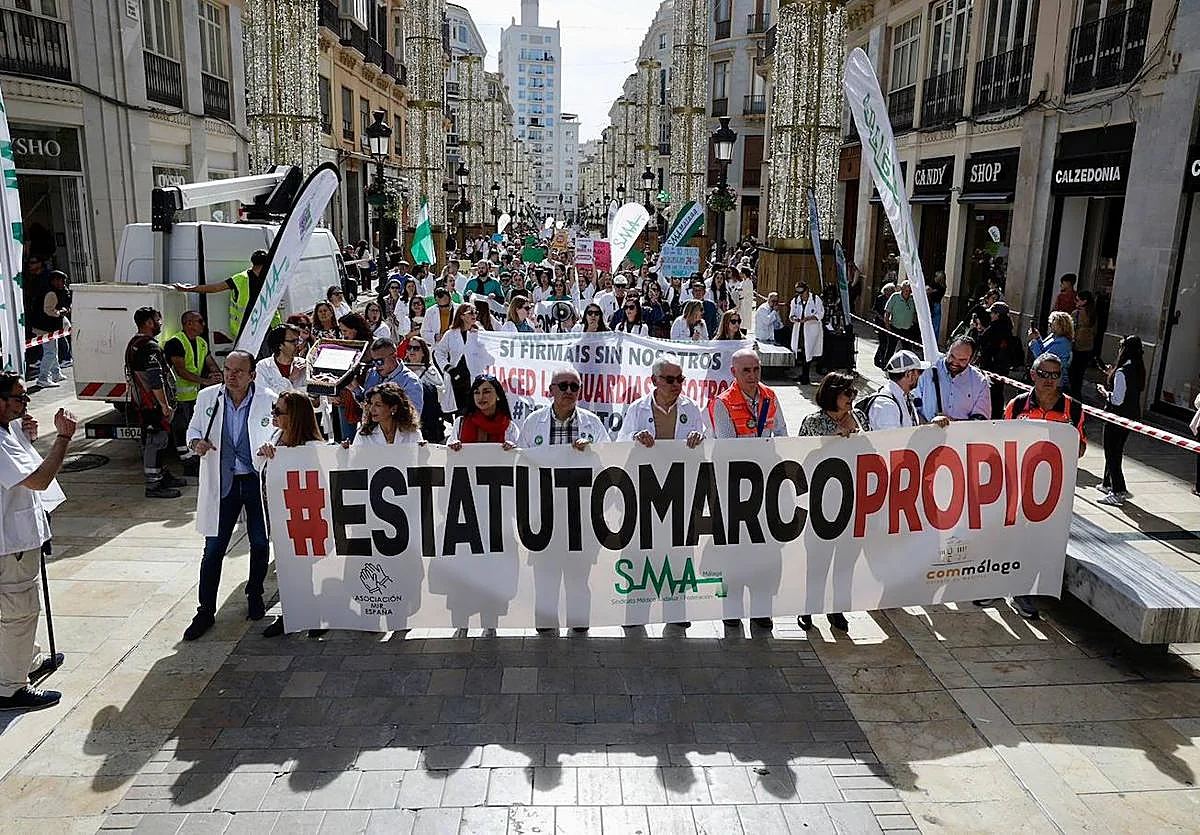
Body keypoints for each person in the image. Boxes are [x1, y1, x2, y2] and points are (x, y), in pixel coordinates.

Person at [183, 350, 277, 640]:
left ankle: (255, 593)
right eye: (227, 369)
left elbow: (277, 433)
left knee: (260, 543)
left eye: (238, 371)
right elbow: (193, 431)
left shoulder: (268, 398)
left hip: (254, 479)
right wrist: (196, 443)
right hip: (223, 482)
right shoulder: (208, 398)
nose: (231, 376)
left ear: (252, 375)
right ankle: (205, 611)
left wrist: (271, 446)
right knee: (213, 549)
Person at [0, 374, 76, 710]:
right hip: (9, 545)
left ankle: (24, 663)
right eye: (19, 399)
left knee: (19, 610)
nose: (25, 404)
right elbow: (40, 480)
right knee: (18, 611)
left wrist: (25, 434)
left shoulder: (7, 431)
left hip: (18, 540)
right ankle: (10, 687)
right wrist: (63, 439)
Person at [517, 366, 610, 634]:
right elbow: (522, 463)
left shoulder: (592, 423)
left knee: (578, 577)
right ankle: (546, 628)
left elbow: (609, 463)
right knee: (545, 575)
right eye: (563, 386)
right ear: (550, 391)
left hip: (580, 515)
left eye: (574, 386)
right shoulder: (533, 422)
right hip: (544, 514)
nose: (569, 391)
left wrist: (592, 453)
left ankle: (579, 627)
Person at [994, 352, 1086, 619]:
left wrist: (1062, 440)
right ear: (1033, 374)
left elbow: (1079, 449)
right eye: (1043, 374)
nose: (1049, 380)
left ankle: (1025, 587)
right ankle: (1005, 584)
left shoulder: (1074, 409)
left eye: (1055, 375)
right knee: (1011, 534)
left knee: (1039, 539)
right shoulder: (1017, 405)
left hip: (1053, 489)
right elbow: (1001, 439)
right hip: (1019, 484)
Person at [619, 351, 707, 627]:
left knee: (679, 553)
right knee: (639, 552)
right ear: (654, 380)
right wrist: (634, 439)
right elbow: (619, 446)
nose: (675, 384)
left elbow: (707, 445)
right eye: (669, 379)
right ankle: (635, 614)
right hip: (644, 492)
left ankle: (676, 613)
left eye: (680, 379)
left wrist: (699, 438)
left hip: (679, 491)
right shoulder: (637, 409)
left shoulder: (691, 408)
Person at [709, 349, 785, 631]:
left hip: (766, 487)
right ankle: (731, 609)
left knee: (766, 551)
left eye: (756, 369)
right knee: (734, 552)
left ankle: (762, 609)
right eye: (746, 371)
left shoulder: (770, 396)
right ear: (734, 373)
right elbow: (730, 447)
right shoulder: (723, 403)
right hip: (735, 489)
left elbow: (782, 434)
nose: (753, 376)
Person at [796, 371, 868, 633]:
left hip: (851, 501)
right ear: (832, 393)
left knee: (846, 561)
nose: (851, 398)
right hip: (821, 502)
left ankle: (838, 610)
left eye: (854, 393)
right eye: (846, 393)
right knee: (818, 561)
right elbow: (801, 458)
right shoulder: (813, 422)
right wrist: (831, 443)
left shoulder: (858, 418)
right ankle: (808, 608)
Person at [256, 392, 326, 638]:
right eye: (274, 409)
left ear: (295, 417)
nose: (273, 415)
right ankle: (291, 615)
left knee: (308, 568)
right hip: (280, 516)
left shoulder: (314, 448)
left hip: (307, 517)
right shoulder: (275, 438)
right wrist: (265, 453)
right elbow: (258, 465)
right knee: (288, 569)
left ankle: (314, 614)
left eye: (278, 411)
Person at [125, 307, 186, 498]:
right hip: (152, 405)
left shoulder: (135, 343)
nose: (160, 324)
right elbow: (155, 378)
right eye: (158, 320)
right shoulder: (148, 347)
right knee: (156, 442)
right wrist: (164, 404)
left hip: (146, 404)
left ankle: (163, 475)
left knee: (160, 441)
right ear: (149, 323)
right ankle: (154, 485)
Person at [164, 311, 223, 475]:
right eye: (200, 321)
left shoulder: (201, 342)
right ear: (189, 323)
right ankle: (188, 465)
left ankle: (194, 460)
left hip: (194, 397)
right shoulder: (176, 343)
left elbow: (210, 363)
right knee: (181, 430)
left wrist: (219, 375)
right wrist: (205, 381)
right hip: (178, 397)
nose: (203, 324)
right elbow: (181, 371)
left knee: (194, 428)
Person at [173, 250, 277, 342]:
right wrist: (190, 288)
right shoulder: (241, 279)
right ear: (264, 265)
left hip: (267, 328)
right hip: (247, 330)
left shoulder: (269, 278)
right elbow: (214, 288)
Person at [1096, 335, 1145, 506]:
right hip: (1131, 417)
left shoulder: (1122, 372)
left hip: (1116, 417)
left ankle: (1118, 489)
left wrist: (1104, 392)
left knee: (1112, 452)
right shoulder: (1138, 369)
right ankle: (1107, 483)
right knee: (1116, 450)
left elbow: (1117, 399)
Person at [432, 303, 496, 417]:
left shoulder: (481, 334)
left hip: (474, 377)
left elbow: (490, 353)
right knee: (460, 413)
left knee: (475, 411)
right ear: (461, 316)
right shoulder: (451, 334)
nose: (474, 315)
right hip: (457, 378)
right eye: (470, 312)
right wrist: (447, 367)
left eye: (475, 312)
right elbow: (439, 352)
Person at [865, 350, 949, 431]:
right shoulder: (886, 406)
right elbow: (890, 440)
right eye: (919, 372)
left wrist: (932, 424)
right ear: (909, 374)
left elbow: (910, 428)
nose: (920, 376)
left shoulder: (904, 396)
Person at [914, 336, 992, 423]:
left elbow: (981, 420)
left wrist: (952, 423)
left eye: (962, 360)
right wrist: (926, 426)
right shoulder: (927, 372)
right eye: (952, 356)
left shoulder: (980, 382)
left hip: (961, 435)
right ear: (948, 351)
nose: (955, 362)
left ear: (972, 360)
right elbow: (911, 407)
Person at [976, 301, 1023, 420]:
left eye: (992, 313)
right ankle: (997, 414)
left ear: (997, 314)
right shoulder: (1008, 327)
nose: (990, 315)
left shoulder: (994, 328)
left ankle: (990, 413)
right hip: (1003, 366)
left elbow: (981, 341)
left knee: (990, 391)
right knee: (999, 391)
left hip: (992, 365)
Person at [447, 374, 519, 449]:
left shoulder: (509, 427)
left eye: (486, 392)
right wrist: (453, 445)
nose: (481, 397)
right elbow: (448, 451)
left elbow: (520, 454)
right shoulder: (460, 423)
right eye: (476, 392)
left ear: (498, 395)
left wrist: (512, 448)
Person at [404, 337, 447, 444]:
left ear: (423, 352)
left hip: (426, 418)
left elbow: (441, 393)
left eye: (416, 348)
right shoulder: (401, 370)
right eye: (409, 348)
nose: (412, 351)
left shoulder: (430, 371)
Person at [352, 382, 423, 446]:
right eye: (371, 404)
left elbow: (420, 458)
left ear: (393, 408)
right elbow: (354, 459)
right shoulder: (364, 434)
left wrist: (425, 452)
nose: (372, 409)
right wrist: (344, 452)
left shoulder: (412, 433)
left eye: (378, 405)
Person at [31, 270, 69, 388]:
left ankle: (56, 373)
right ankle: (43, 378)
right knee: (50, 353)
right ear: (54, 281)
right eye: (61, 281)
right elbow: (49, 310)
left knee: (53, 351)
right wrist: (61, 312)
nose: (63, 283)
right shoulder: (51, 293)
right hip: (45, 328)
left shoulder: (53, 291)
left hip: (49, 327)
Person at [254, 323, 307, 397]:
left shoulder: (304, 364)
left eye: (299, 340)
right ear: (280, 345)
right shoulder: (262, 367)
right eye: (293, 341)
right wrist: (290, 379)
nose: (298, 345)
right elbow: (266, 397)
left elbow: (310, 396)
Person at [1028, 311, 1074, 390]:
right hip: (1044, 376)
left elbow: (1043, 359)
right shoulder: (1053, 335)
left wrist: (1034, 341)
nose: (1049, 325)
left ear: (1060, 325)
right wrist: (1038, 338)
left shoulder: (1063, 343)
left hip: (1054, 381)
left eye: (1052, 322)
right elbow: (1043, 349)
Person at [789, 283, 824, 385]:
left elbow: (820, 313)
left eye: (802, 292)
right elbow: (791, 315)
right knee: (802, 352)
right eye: (798, 293)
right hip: (800, 329)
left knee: (808, 352)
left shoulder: (815, 299)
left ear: (807, 290)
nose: (801, 295)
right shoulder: (795, 301)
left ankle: (805, 376)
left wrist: (809, 318)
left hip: (811, 330)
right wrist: (795, 318)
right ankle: (804, 375)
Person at [1070, 291, 1097, 397]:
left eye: (1077, 300)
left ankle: (1072, 395)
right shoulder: (1093, 314)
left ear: (1084, 301)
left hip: (1077, 346)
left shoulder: (1076, 313)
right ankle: (1077, 394)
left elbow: (1071, 329)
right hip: (1088, 347)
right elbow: (1095, 331)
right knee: (1080, 374)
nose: (1075, 302)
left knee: (1073, 373)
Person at [883, 280, 918, 359]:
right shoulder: (895, 297)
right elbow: (887, 312)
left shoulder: (912, 300)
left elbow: (915, 314)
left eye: (909, 291)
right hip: (895, 327)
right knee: (891, 348)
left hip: (907, 329)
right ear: (901, 289)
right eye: (906, 290)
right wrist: (887, 326)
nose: (907, 292)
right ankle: (886, 365)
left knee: (908, 350)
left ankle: (906, 367)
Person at [928, 271, 947, 342]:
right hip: (934, 305)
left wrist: (931, 291)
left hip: (936, 305)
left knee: (935, 325)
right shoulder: (937, 285)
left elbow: (931, 292)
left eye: (936, 276)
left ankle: (933, 341)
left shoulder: (941, 287)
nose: (934, 277)